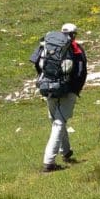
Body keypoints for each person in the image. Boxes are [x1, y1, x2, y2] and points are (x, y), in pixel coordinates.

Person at [31, 23, 87, 172]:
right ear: (74, 34)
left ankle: (66, 151)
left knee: (55, 119)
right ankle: (49, 162)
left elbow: (36, 63)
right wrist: (75, 89)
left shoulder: (48, 43)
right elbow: (81, 71)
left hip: (47, 87)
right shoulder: (76, 48)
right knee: (59, 122)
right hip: (67, 90)